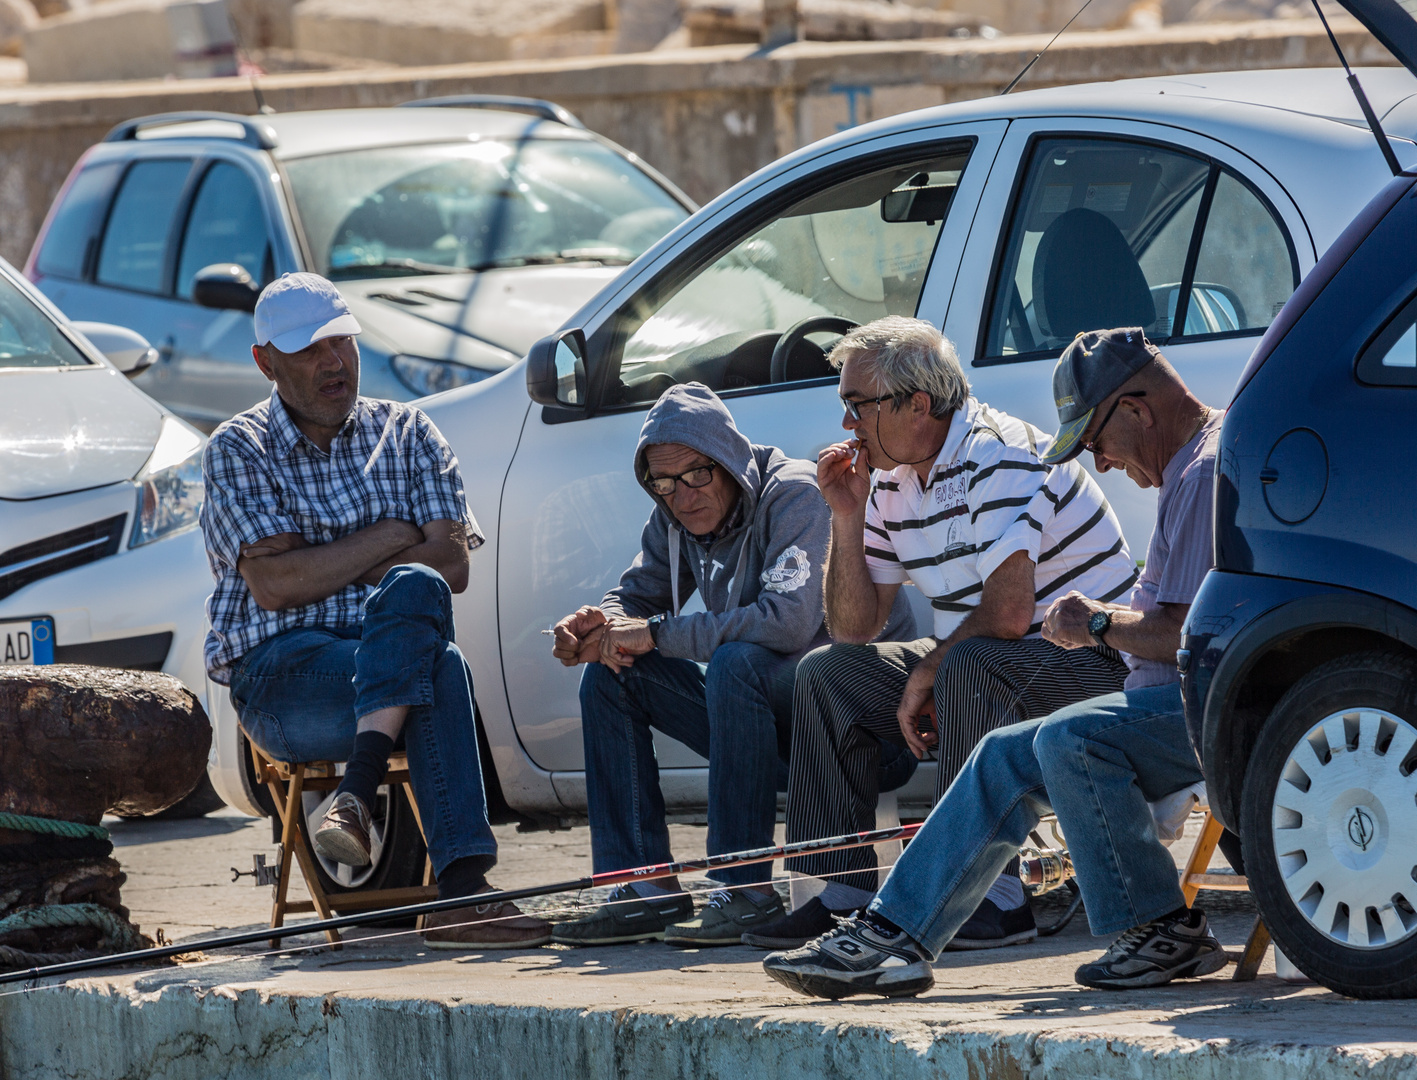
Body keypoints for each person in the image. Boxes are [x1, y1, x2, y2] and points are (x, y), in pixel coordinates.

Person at [763, 327, 1228, 997]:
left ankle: (1016, 903)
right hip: (1096, 674)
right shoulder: (885, 477)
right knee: (852, 682)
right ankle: (877, 923)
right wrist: (846, 515)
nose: (1096, 461)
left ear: (915, 404)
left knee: (981, 673)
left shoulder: (1185, 468)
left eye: (857, 403)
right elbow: (852, 629)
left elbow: (1175, 635)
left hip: (1109, 671)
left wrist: (1098, 621)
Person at [200, 272, 549, 949]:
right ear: (265, 361)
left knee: (425, 607)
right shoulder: (239, 447)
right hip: (285, 677)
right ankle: (463, 892)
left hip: (383, 659)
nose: (333, 361)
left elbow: (453, 566)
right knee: (432, 653)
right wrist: (391, 534)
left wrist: (322, 558)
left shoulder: (409, 431)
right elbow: (275, 587)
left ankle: (358, 800)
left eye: (342, 341)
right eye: (308, 349)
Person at [548, 383, 916, 948]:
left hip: (867, 730)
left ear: (730, 463)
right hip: (763, 732)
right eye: (663, 484)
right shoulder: (674, 515)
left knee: (736, 659)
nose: (683, 496)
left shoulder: (794, 494)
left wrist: (652, 633)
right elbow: (636, 597)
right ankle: (641, 886)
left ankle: (744, 890)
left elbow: (786, 622)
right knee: (612, 673)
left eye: (697, 475)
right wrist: (600, 626)